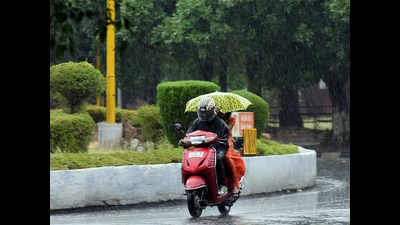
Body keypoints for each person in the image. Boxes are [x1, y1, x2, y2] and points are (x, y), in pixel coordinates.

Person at [184, 97, 229, 190]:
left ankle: (222, 185)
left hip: (217, 148)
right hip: (201, 148)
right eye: (202, 112)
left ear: (212, 111)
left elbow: (224, 137)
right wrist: (185, 140)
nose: (204, 115)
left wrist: (220, 140)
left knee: (219, 159)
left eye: (206, 112)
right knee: (188, 158)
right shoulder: (197, 122)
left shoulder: (220, 123)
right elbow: (189, 133)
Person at [217, 111, 246, 195]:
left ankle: (233, 184)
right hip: (213, 140)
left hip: (225, 140)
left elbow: (227, 129)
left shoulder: (231, 119)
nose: (222, 111)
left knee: (226, 157)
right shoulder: (213, 118)